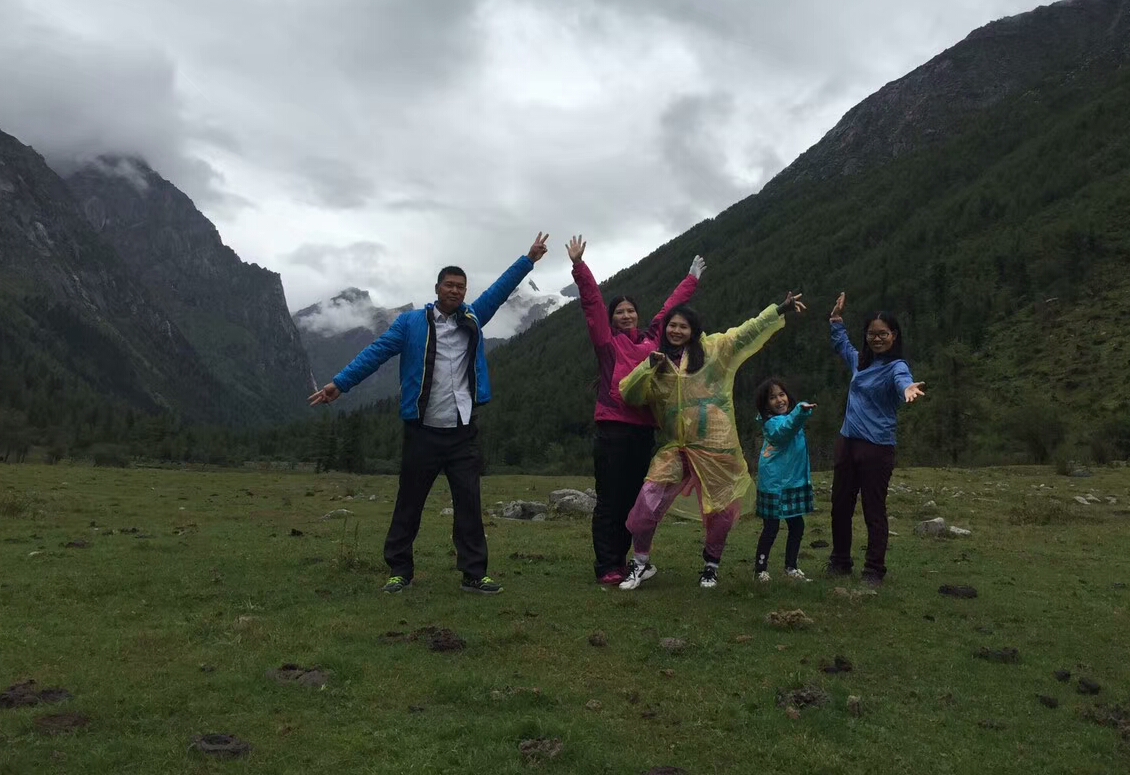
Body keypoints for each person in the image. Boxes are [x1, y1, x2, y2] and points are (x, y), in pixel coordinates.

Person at [308, 233, 550, 596]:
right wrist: (339, 384)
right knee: (409, 503)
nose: (455, 291)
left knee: (469, 505)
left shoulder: (473, 317)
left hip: (463, 431)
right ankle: (399, 571)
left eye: (461, 287)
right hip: (422, 431)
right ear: (437, 288)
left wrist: (528, 259)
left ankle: (474, 574)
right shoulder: (409, 324)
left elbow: (500, 291)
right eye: (449, 285)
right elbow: (375, 353)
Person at [617, 292, 806, 591]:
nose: (676, 331)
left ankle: (711, 565)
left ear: (693, 330)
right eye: (672, 326)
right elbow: (629, 393)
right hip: (677, 448)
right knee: (646, 506)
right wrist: (647, 368)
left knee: (721, 511)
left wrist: (778, 310)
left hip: (717, 445)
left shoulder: (714, 349)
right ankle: (640, 563)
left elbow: (747, 332)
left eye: (683, 326)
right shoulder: (657, 362)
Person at [566, 235, 705, 585]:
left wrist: (691, 280)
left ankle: (625, 559)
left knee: (634, 499)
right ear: (612, 319)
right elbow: (592, 305)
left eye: (630, 311)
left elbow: (670, 311)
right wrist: (580, 268)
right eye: (620, 312)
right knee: (610, 499)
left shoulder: (651, 340)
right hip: (613, 429)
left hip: (644, 430)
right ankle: (607, 566)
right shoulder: (607, 344)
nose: (626, 315)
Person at [825, 291, 925, 588]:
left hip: (877, 448)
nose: (877, 338)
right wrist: (835, 319)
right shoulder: (860, 362)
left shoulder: (897, 367)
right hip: (847, 442)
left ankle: (874, 570)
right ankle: (840, 562)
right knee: (840, 505)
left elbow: (903, 381)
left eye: (883, 334)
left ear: (894, 336)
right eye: (872, 333)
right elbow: (842, 344)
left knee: (873, 508)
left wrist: (908, 390)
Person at [752, 377, 816, 583]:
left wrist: (799, 412)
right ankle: (760, 569)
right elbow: (784, 431)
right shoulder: (772, 424)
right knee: (771, 527)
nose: (779, 400)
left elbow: (792, 424)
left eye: (782, 394)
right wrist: (799, 412)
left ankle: (791, 567)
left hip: (793, 481)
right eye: (772, 397)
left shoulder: (792, 418)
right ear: (765, 404)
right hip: (775, 484)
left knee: (797, 525)